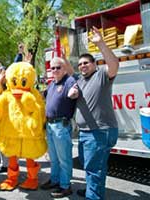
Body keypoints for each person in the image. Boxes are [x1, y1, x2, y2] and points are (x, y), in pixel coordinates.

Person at [74, 26, 119, 200]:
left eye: (86, 63)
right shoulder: (80, 81)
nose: (82, 66)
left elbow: (114, 65)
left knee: (95, 168)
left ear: (94, 64)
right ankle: (91, 191)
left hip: (99, 131)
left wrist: (101, 43)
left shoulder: (101, 75)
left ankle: (93, 196)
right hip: (86, 133)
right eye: (80, 64)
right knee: (90, 166)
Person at [40, 57, 78, 198]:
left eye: (58, 67)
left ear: (64, 68)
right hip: (50, 125)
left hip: (61, 125)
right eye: (52, 68)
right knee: (54, 158)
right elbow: (42, 96)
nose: (55, 70)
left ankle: (65, 186)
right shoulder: (52, 84)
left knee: (64, 158)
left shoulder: (69, 81)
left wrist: (73, 93)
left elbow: (75, 90)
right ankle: (55, 180)